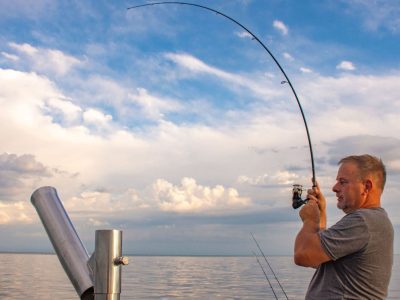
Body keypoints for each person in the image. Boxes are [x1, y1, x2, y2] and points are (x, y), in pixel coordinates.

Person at [294, 154, 394, 299]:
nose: (335, 188)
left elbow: (303, 254)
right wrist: (321, 214)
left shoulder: (363, 222)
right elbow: (319, 258)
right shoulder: (373, 221)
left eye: (342, 182)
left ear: (366, 187)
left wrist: (310, 221)